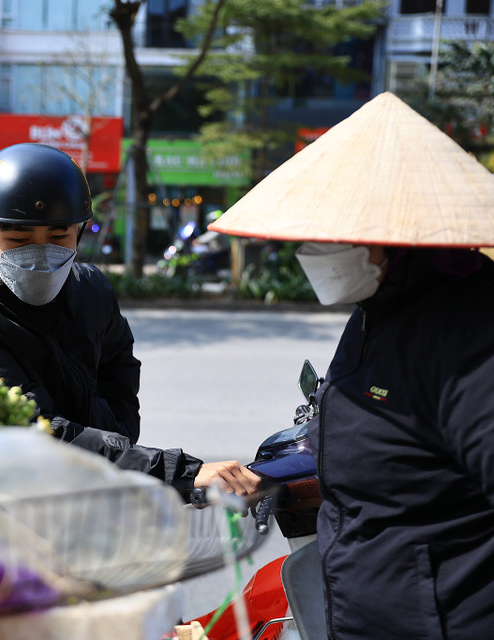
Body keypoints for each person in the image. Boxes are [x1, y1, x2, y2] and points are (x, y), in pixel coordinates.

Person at [207, 92, 494, 639]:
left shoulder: (471, 333)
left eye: (330, 233)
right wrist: (271, 475)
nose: (313, 250)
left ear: (393, 233)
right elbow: (365, 434)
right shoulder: (378, 310)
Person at [0, 143, 261, 500]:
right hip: (12, 509)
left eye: (57, 237)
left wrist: (119, 442)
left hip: (98, 499)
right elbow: (35, 434)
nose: (39, 255)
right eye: (19, 240)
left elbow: (120, 370)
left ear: (79, 231)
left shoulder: (91, 289)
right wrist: (181, 473)